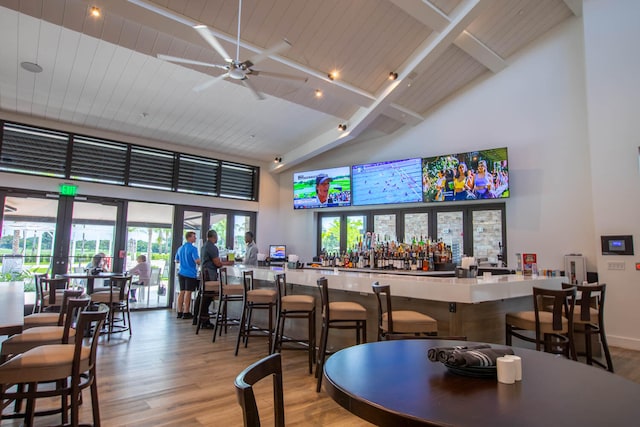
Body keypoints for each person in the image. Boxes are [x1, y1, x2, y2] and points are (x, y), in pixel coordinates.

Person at [197, 230, 224, 328]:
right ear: (214, 236)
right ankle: (204, 320)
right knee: (207, 297)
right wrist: (223, 263)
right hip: (209, 274)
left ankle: (199, 318)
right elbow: (217, 263)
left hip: (204, 273)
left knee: (203, 297)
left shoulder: (204, 246)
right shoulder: (212, 247)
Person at [174, 231, 200, 319]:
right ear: (189, 238)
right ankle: (186, 312)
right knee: (188, 292)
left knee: (182, 292)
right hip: (190, 273)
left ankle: (179, 311)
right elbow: (197, 261)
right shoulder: (193, 249)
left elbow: (177, 260)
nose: (195, 238)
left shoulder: (180, 248)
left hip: (181, 272)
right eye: (194, 237)